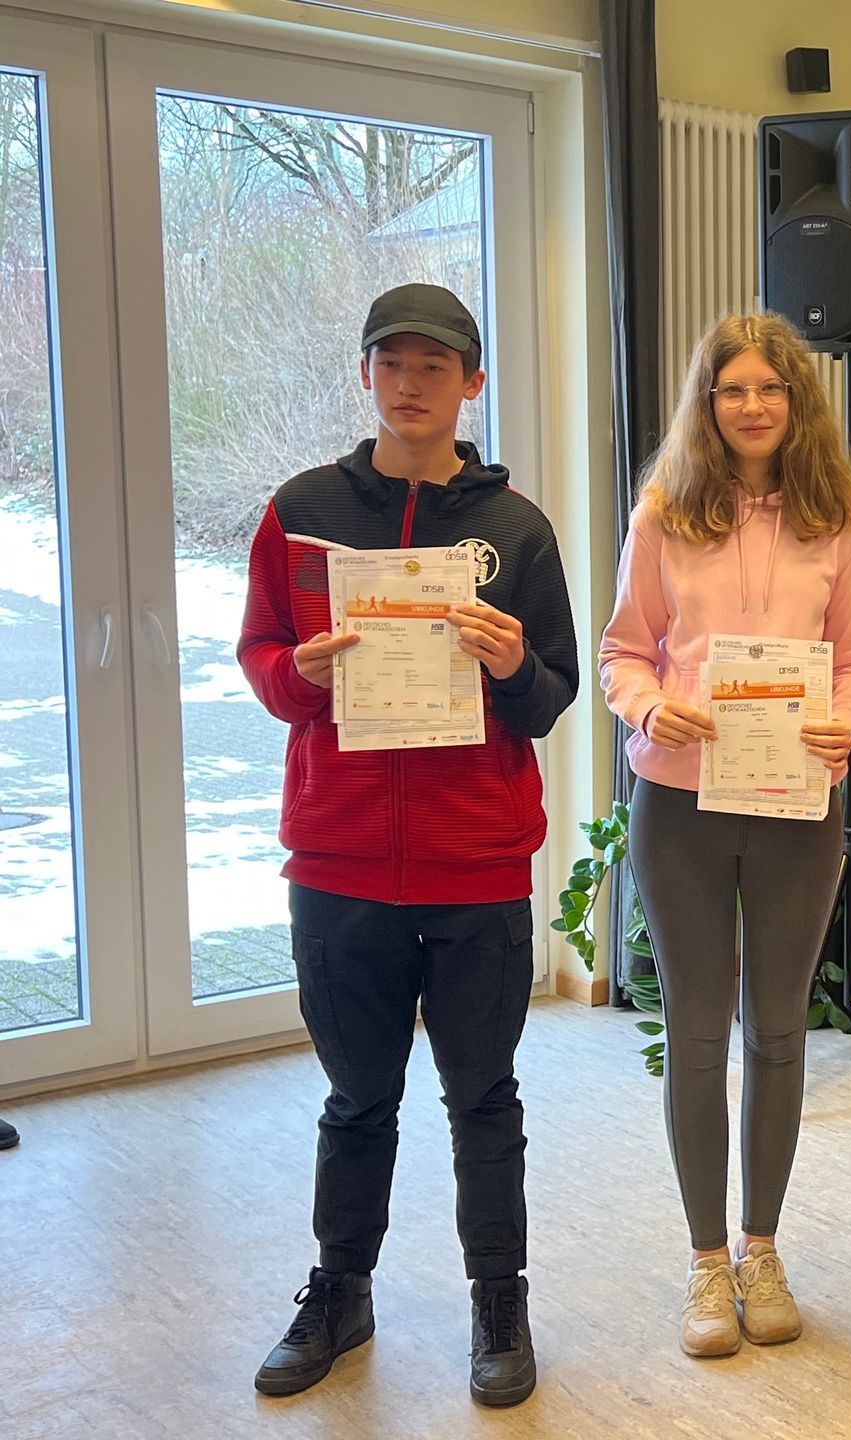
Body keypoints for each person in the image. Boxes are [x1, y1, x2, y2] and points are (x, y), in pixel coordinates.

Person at [238, 283, 578, 1406]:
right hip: (338, 861)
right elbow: (264, 661)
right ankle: (340, 1291)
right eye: (392, 363)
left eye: (435, 365)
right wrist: (301, 674)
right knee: (357, 1099)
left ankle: (499, 1299)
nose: (411, 383)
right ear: (366, 375)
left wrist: (510, 664)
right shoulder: (300, 511)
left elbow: (551, 697)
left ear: (471, 381)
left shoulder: (515, 529)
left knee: (483, 1099)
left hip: (474, 860)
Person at [599, 311, 851, 1359]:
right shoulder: (664, 514)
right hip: (681, 803)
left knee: (775, 1031)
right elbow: (622, 651)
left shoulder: (835, 521)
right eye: (734, 389)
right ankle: (707, 1261)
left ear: (796, 401)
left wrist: (846, 721)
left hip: (797, 800)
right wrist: (647, 706)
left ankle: (762, 1249)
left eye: (771, 387)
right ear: (707, 402)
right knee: (696, 1028)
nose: (754, 405)